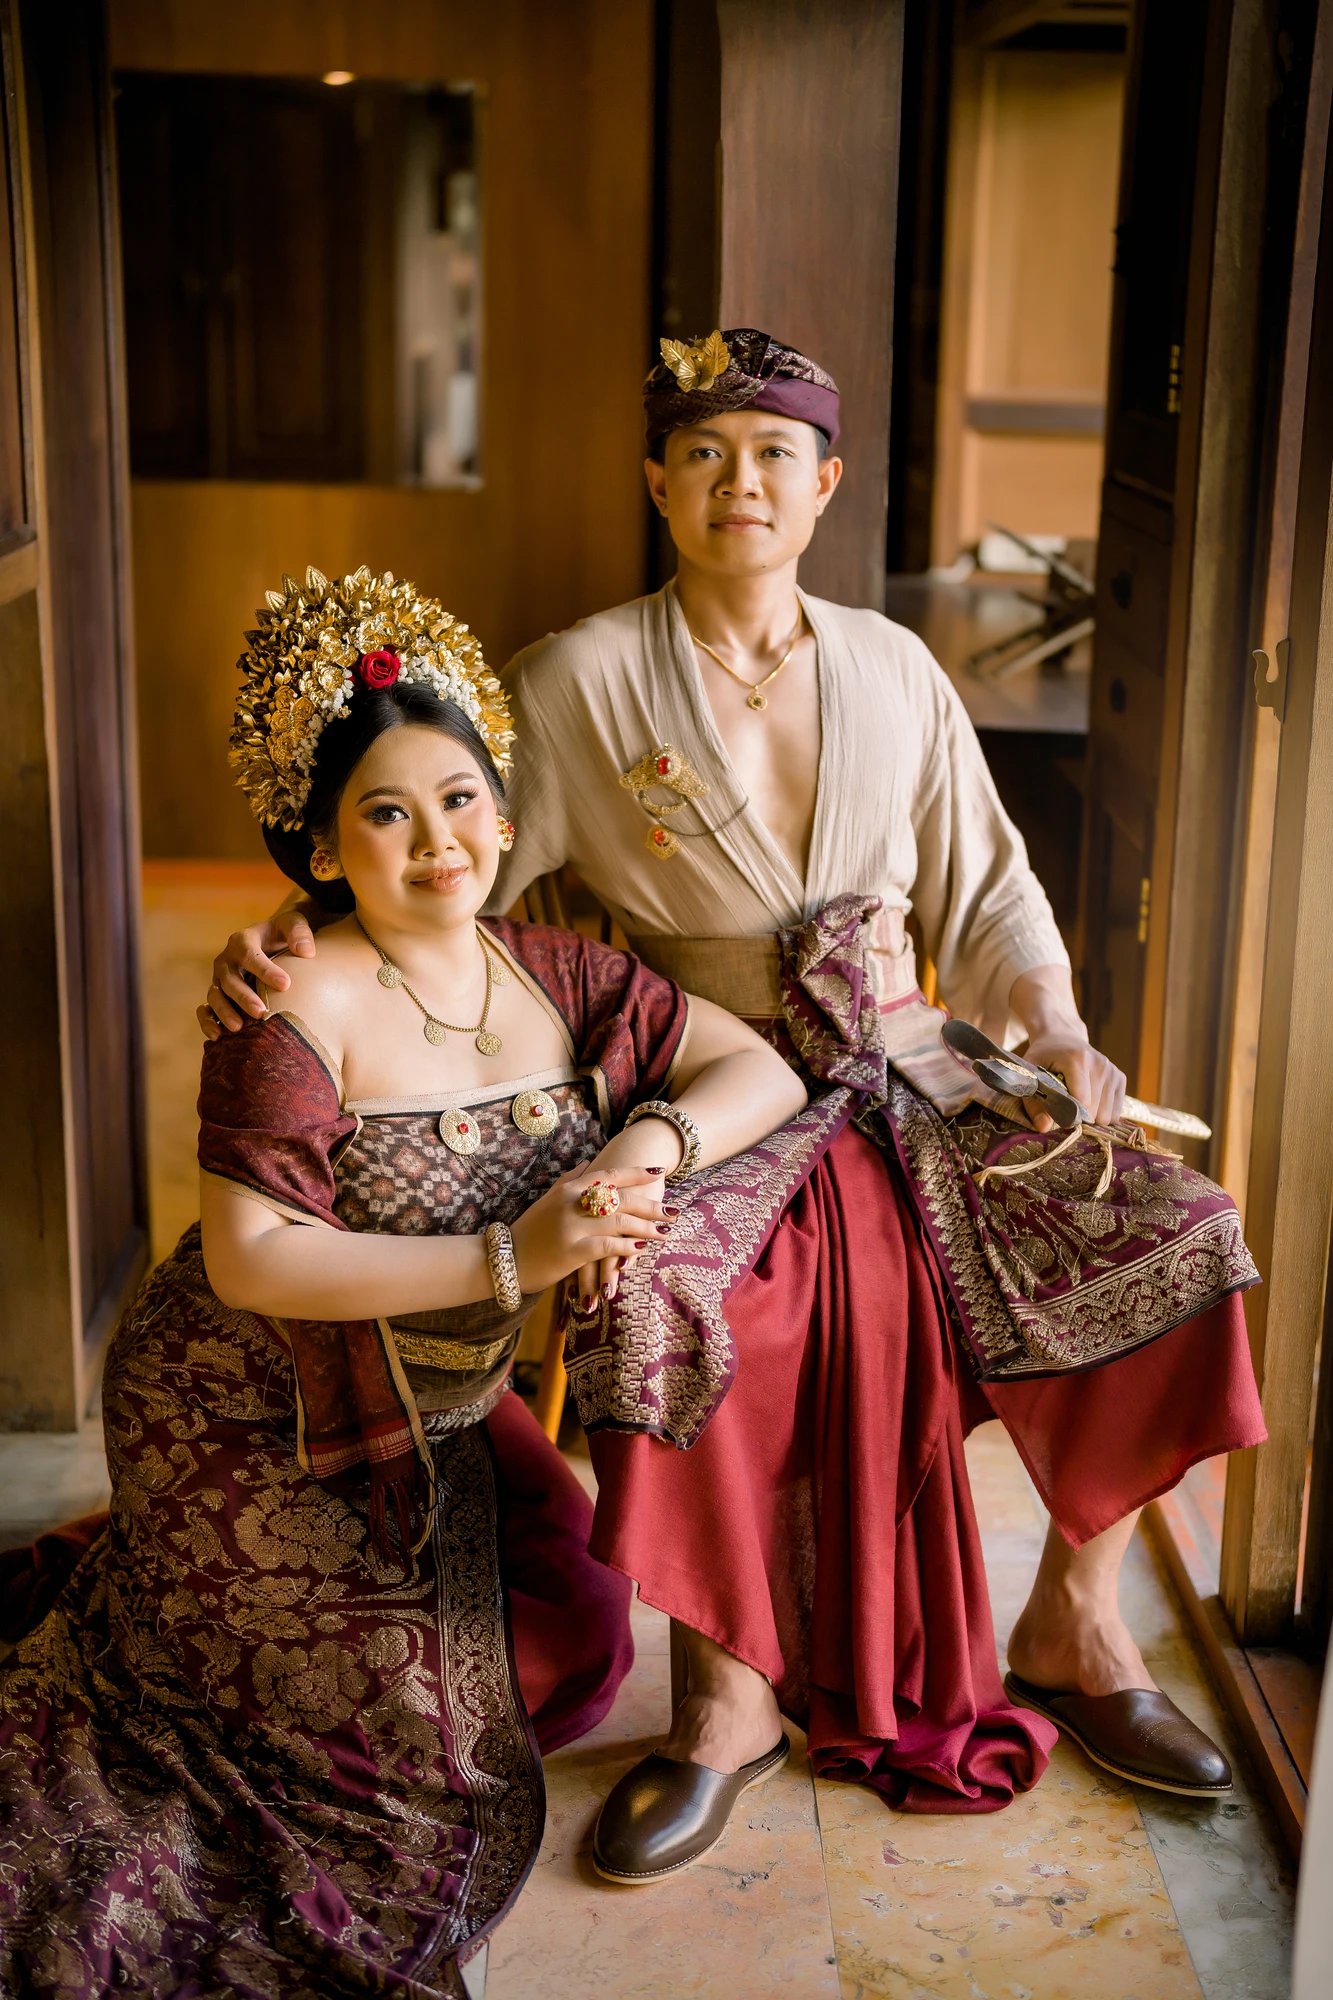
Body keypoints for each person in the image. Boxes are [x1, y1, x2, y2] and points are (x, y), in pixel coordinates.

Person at [205, 333, 1266, 1880]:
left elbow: (990, 885)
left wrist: (1054, 1027)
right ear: (658, 481)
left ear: (825, 484)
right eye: (703, 452)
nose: (740, 482)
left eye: (774, 453)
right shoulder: (577, 679)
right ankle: (723, 1701)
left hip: (911, 1054)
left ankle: (1078, 1622)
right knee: (661, 1296)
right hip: (711, 1072)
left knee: (1170, 1223)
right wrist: (288, 947)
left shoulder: (894, 668)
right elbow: (443, 856)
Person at [0, 565, 807, 1990]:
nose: (439, 841)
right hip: (250, 1416)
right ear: (324, 844)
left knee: (580, 1643)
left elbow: (760, 1068)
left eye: (461, 798)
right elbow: (252, 1259)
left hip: (437, 1406)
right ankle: (161, 1591)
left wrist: (649, 1149)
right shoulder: (286, 1002)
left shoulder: (555, 972)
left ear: (503, 809)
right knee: (409, 1755)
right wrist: (514, 1255)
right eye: (387, 812)